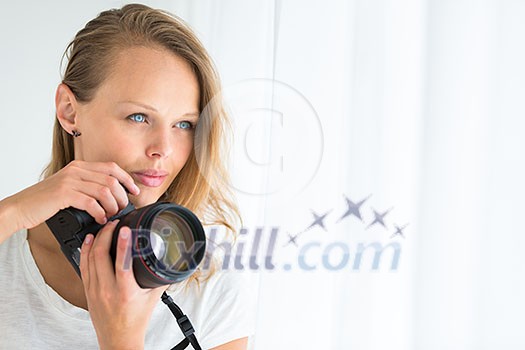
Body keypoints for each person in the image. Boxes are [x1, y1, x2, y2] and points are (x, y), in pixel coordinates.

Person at [0, 3, 255, 349]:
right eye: (138, 117)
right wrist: (12, 213)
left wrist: (121, 338)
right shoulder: (8, 256)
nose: (163, 148)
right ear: (69, 111)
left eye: (184, 124)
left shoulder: (208, 284)